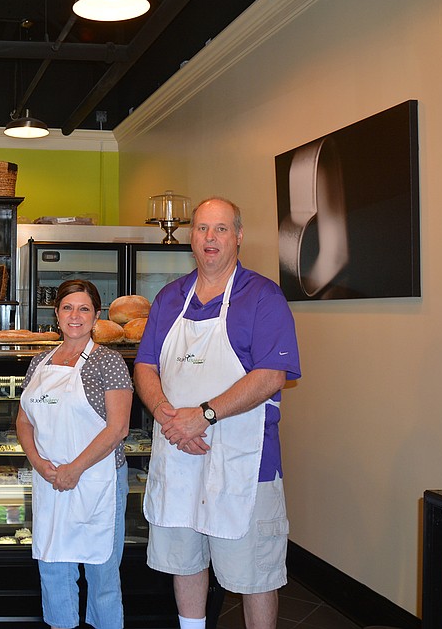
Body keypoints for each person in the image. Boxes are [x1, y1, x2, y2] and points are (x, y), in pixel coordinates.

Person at [133, 197, 301, 629]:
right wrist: (170, 416)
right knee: (185, 561)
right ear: (192, 236)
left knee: (254, 576)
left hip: (244, 464)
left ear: (239, 236)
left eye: (221, 229)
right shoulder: (170, 298)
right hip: (179, 453)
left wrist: (203, 415)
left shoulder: (263, 296)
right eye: (203, 228)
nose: (210, 238)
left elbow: (271, 375)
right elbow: (146, 365)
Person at [16, 279, 133, 629]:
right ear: (56, 313)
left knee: (102, 574)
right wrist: (39, 462)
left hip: (97, 480)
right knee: (53, 567)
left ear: (96, 315)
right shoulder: (39, 361)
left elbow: (118, 428)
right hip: (50, 478)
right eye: (68, 307)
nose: (75, 315)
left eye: (84, 308)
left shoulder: (108, 361)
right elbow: (24, 420)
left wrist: (75, 469)